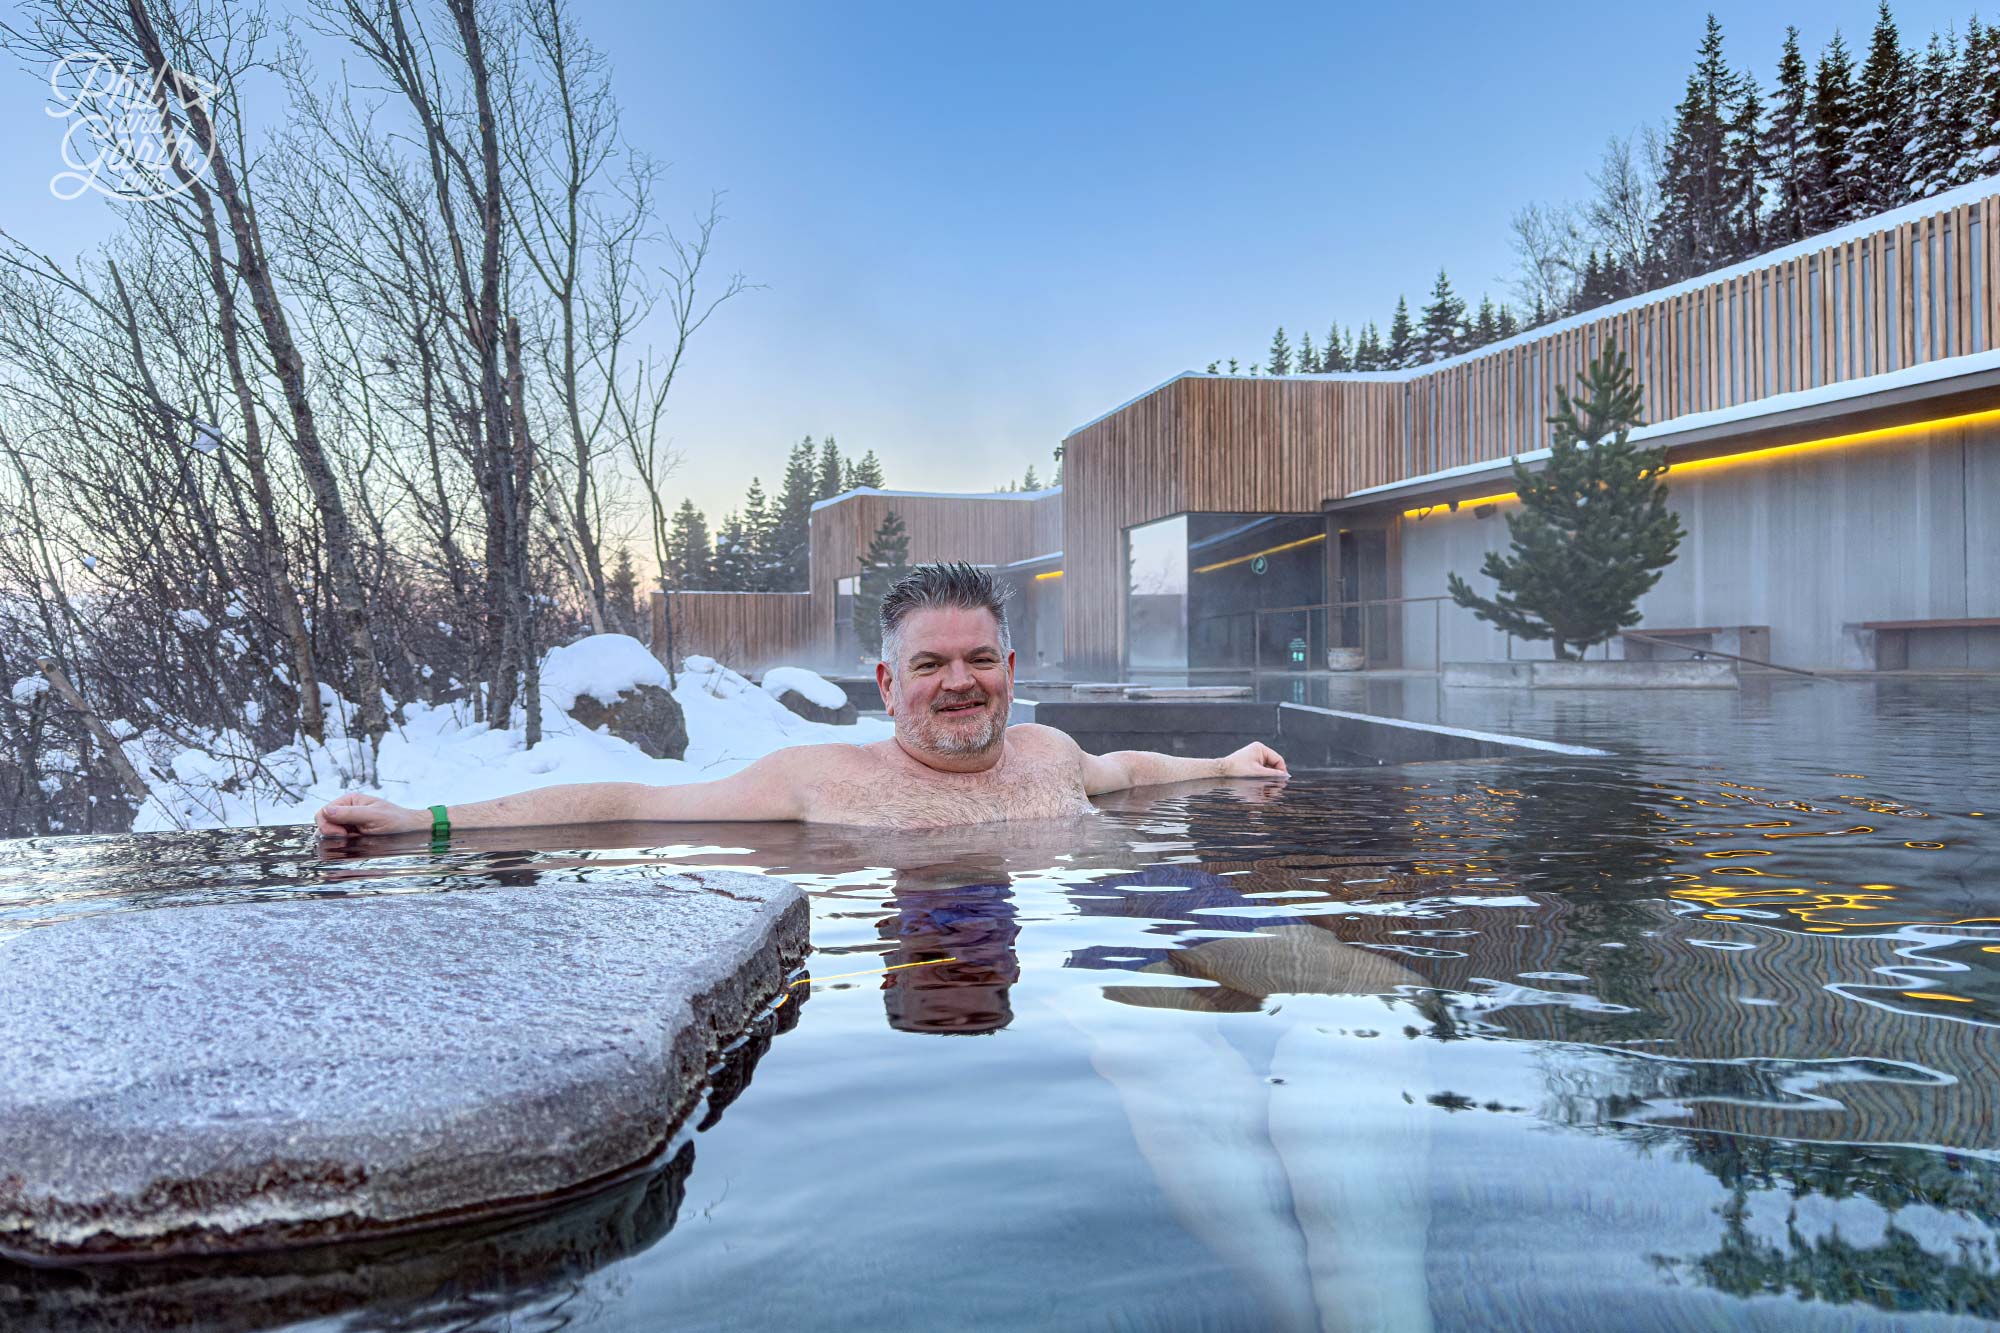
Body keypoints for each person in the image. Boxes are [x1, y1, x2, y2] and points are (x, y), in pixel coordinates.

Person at [315, 562, 1288, 836]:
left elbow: (1129, 776)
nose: (959, 682)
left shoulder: (1050, 753)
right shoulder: (821, 776)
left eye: (978, 659)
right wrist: (424, 819)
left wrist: (1224, 767)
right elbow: (629, 802)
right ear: (885, 683)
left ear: (1009, 666)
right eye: (929, 664)